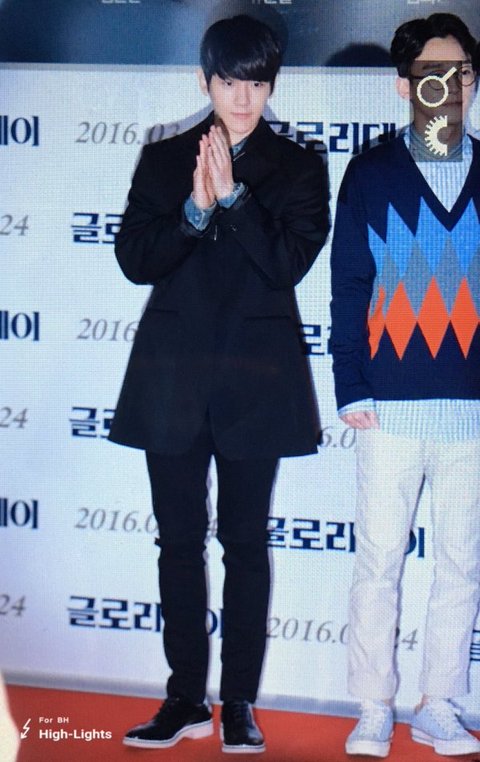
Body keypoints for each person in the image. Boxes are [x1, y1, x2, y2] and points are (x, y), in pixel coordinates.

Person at [109, 13, 329, 754]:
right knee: (177, 543)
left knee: (244, 543)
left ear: (272, 85)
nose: (242, 98)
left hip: (256, 385)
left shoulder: (299, 167)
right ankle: (183, 698)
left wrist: (235, 200)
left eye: (256, 83)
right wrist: (194, 211)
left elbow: (287, 265)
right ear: (205, 81)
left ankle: (237, 702)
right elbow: (135, 259)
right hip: (170, 380)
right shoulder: (164, 157)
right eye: (229, 82)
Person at [331, 12, 480, 759]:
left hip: (473, 412)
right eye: (432, 74)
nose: (448, 86)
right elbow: (348, 287)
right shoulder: (369, 174)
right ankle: (372, 707)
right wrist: (350, 385)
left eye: (462, 73)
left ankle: (439, 704)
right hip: (387, 410)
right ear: (402, 86)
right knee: (379, 562)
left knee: (461, 565)